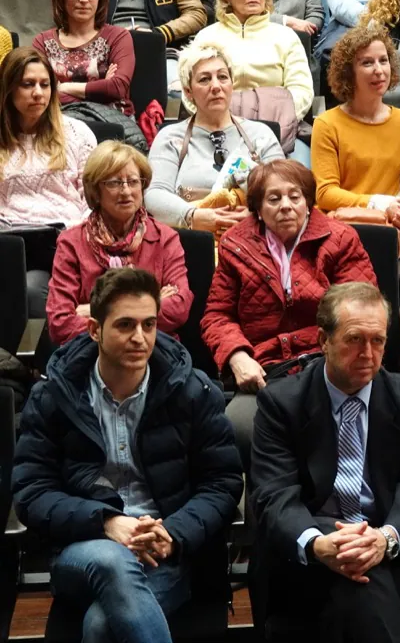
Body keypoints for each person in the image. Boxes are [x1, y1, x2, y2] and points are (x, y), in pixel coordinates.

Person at [12, 267, 243, 643]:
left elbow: (223, 482)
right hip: (85, 549)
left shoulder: (192, 391)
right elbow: (31, 492)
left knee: (101, 627)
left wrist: (173, 531)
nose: (140, 338)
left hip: (164, 549)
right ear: (94, 330)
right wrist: (105, 523)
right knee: (112, 559)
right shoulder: (55, 396)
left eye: (149, 324)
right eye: (125, 325)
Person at [249, 281, 400, 642]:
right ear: (323, 340)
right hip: (304, 550)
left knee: (362, 580)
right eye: (354, 339)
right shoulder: (282, 403)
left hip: (381, 540)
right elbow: (273, 495)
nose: (368, 353)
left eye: (378, 341)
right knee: (363, 586)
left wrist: (384, 539)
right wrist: (318, 544)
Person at [201, 159, 377, 474]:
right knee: (241, 430)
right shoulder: (235, 244)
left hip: (330, 367)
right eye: (274, 198)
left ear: (308, 201)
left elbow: (361, 308)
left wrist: (334, 360)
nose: (286, 206)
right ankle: (268, 517)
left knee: (323, 432)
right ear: (257, 208)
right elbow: (218, 314)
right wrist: (237, 356)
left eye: (294, 197)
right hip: (266, 372)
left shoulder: (340, 239)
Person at [47, 141, 193, 346]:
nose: (126, 191)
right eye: (114, 183)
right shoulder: (71, 242)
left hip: (154, 351)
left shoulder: (164, 238)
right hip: (89, 352)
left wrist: (95, 310)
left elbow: (179, 308)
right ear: (95, 190)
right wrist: (152, 303)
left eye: (133, 181)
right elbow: (60, 324)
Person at [146, 41, 284, 232]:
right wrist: (192, 216)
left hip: (255, 236)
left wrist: (257, 216)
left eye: (222, 77)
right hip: (193, 240)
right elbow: (154, 194)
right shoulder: (170, 137)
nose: (216, 86)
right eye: (204, 79)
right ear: (188, 91)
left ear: (232, 84)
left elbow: (285, 188)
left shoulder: (260, 134)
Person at [189, 0, 315, 162]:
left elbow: (301, 91)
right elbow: (190, 90)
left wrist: (278, 122)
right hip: (217, 129)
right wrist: (221, 122)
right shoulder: (207, 37)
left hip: (280, 129)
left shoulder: (286, 36)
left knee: (298, 182)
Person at [311, 26, 400, 228]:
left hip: (389, 227)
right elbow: (325, 193)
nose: (379, 70)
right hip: (341, 226)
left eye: (383, 60)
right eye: (367, 63)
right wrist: (379, 204)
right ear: (348, 72)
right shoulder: (326, 124)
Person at [0, 47, 97, 229]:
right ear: (8, 89)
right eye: (27, 84)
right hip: (9, 241)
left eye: (44, 84)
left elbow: (94, 201)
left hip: (68, 237)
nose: (38, 93)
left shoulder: (78, 133)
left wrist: (74, 237)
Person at [34, 0, 137, 117]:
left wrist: (64, 88)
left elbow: (117, 88)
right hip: (58, 123)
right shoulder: (42, 42)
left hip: (109, 123)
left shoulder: (118, 37)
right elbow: (40, 93)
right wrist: (100, 89)